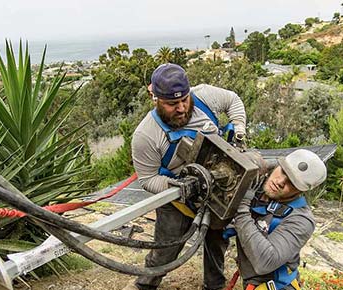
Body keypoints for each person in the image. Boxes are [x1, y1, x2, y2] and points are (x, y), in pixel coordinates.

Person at [126, 63, 247, 290]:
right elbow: (148, 179)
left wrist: (239, 128)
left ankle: (214, 286)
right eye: (172, 104)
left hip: (217, 191)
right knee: (166, 250)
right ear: (156, 99)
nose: (181, 108)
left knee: (216, 241)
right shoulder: (146, 135)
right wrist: (179, 188)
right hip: (177, 199)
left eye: (184, 100)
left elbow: (233, 101)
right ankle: (145, 285)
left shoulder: (205, 97)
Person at [234, 149, 327, 290]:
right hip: (250, 281)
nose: (280, 182)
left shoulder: (302, 220)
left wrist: (241, 207)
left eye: (292, 182)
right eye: (284, 171)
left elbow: (265, 262)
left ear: (301, 191)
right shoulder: (259, 189)